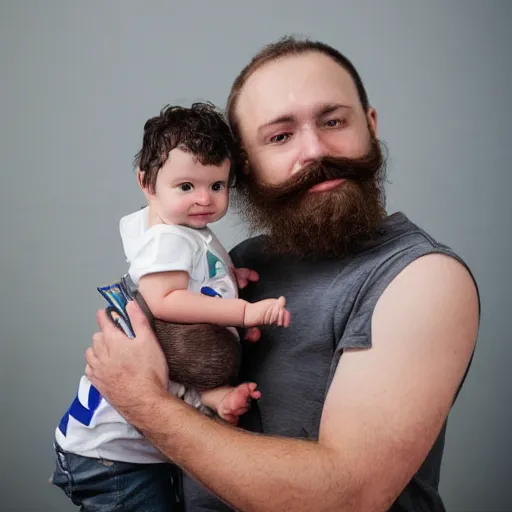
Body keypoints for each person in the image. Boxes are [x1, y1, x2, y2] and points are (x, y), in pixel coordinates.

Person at [85, 37, 480, 512]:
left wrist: (142, 401)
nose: (314, 150)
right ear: (246, 167)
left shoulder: (421, 279)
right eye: (280, 136)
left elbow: (349, 498)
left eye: (333, 121)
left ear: (371, 127)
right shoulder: (242, 265)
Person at [51, 102, 290, 511]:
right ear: (147, 183)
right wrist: (246, 313)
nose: (204, 199)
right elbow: (167, 302)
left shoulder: (184, 228)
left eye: (217, 186)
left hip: (143, 443)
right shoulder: (167, 238)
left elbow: (197, 273)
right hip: (111, 454)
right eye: (186, 187)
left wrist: (232, 280)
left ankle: (213, 397)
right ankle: (213, 396)